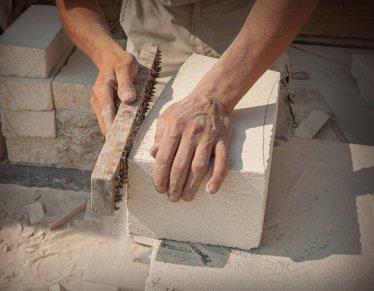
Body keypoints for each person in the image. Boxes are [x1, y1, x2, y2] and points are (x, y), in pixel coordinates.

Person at [56, 0, 318, 202]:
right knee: (153, 166)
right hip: (154, 24)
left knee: (259, 178)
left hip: (250, 25)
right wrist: (105, 53)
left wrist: (217, 96)